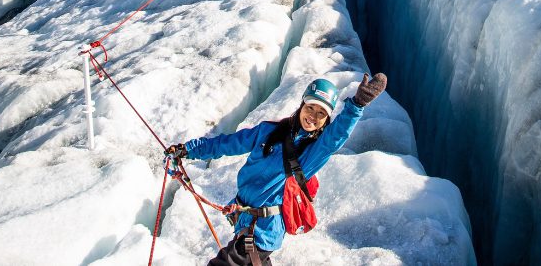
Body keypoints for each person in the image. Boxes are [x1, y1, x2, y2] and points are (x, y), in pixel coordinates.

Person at [166, 73, 388, 265]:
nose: (313, 116)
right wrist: (188, 149)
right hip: (245, 222)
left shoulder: (313, 152)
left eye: (321, 113)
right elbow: (227, 143)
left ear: (326, 119)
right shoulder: (268, 132)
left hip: (262, 231)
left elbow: (336, 136)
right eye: (310, 107)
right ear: (302, 105)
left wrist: (356, 106)